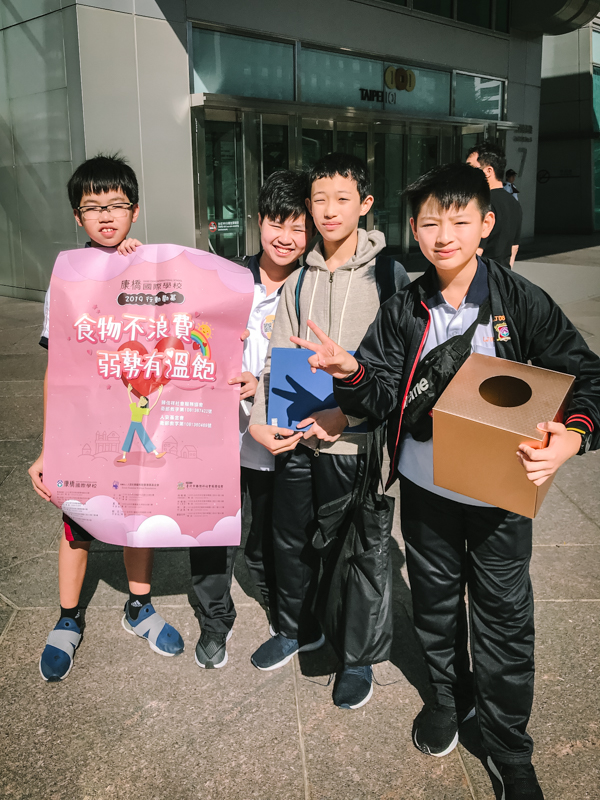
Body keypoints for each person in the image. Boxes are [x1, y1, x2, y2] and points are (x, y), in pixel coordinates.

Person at [291, 162, 600, 799]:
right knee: (433, 608)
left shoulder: (520, 301)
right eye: (430, 222)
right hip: (426, 494)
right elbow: (376, 394)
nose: (444, 235)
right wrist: (351, 370)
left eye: (459, 220)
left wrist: (572, 435)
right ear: (414, 228)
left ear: (486, 226)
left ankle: (510, 747)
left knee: (504, 619)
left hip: (500, 497)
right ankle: (445, 699)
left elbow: (586, 377)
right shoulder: (405, 307)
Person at [248, 153, 409, 710]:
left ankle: (356, 656)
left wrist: (353, 417)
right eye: (319, 200)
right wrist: (261, 421)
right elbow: (275, 361)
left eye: (343, 199)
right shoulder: (298, 282)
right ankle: (296, 629)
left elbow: (400, 372)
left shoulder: (388, 278)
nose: (329, 210)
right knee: (289, 540)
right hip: (296, 436)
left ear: (365, 205)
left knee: (355, 552)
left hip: (353, 444)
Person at [29, 154, 184, 682]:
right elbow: (57, 368)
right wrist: (50, 448)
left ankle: (137, 607)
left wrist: (142, 268)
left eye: (116, 205)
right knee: (76, 523)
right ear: (77, 217)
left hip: (139, 410)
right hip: (84, 424)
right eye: (92, 207)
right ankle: (68, 618)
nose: (105, 216)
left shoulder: (152, 268)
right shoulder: (66, 278)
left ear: (134, 210)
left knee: (136, 514)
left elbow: (181, 330)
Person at [189, 170, 312, 669]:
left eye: (299, 227)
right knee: (212, 539)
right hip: (217, 440)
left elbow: (312, 369)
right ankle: (215, 620)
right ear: (258, 221)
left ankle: (280, 607)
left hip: (277, 441)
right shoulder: (225, 280)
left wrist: (263, 388)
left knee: (266, 541)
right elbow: (184, 335)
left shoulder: (312, 288)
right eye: (276, 222)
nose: (286, 237)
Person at [466, 142, 522, 268]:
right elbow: (514, 248)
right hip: (502, 277)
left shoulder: (482, 203)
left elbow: (477, 251)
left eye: (471, 167)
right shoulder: (514, 203)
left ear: (488, 171)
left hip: (481, 277)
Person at [117, 384, 166, 463]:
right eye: (141, 399)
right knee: (128, 440)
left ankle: (156, 453)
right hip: (133, 424)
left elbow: (152, 406)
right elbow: (131, 400)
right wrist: (128, 391)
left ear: (144, 404)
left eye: (143, 401)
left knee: (145, 438)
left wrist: (159, 394)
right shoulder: (135, 408)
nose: (141, 401)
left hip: (138, 424)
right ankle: (124, 457)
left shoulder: (143, 410)